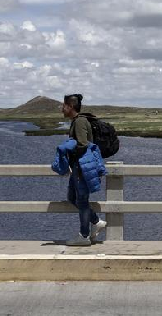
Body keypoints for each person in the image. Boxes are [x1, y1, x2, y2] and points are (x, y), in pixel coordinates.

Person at [62, 93, 107, 246]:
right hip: (78, 167)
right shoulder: (77, 121)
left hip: (81, 168)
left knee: (81, 201)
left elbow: (82, 144)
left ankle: (84, 236)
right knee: (73, 198)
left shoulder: (80, 122)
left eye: (64, 106)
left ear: (71, 106)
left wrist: (66, 148)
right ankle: (96, 221)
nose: (62, 109)